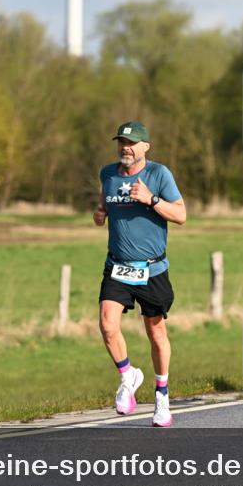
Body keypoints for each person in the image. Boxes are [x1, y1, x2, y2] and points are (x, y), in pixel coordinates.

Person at [94, 120, 187, 425]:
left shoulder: (159, 174)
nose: (126, 148)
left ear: (146, 147)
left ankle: (162, 394)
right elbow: (105, 205)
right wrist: (100, 214)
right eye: (122, 142)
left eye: (132, 143)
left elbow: (182, 215)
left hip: (152, 269)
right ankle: (128, 375)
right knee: (107, 325)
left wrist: (151, 199)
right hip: (117, 266)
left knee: (155, 332)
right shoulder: (107, 174)